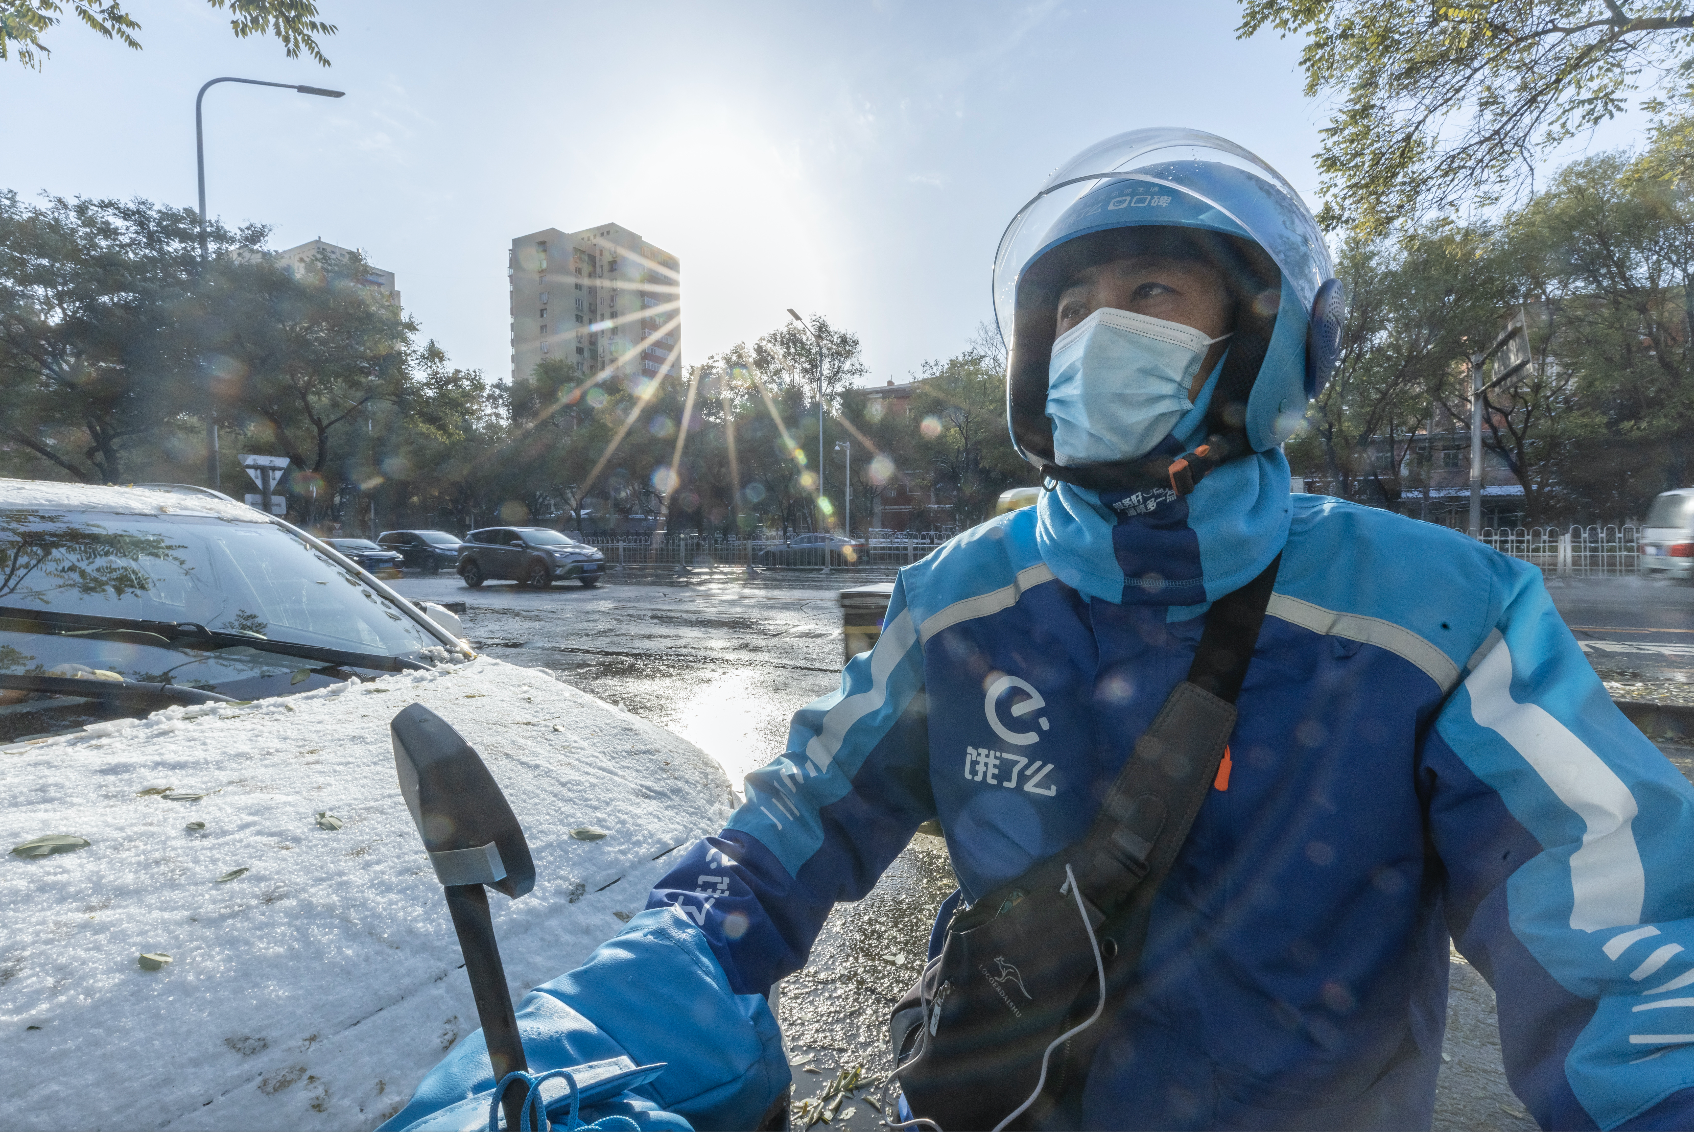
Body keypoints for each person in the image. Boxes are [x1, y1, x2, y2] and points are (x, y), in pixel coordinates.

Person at [382, 130, 1694, 1131]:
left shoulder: (1438, 610)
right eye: (1068, 308)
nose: (1094, 330)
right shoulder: (958, 596)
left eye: (1151, 287)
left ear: (1268, 339)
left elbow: (1629, 943)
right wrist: (606, 1017)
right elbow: (781, 835)